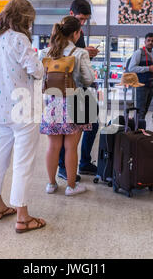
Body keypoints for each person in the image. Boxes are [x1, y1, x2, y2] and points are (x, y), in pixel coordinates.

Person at [0, 0, 45, 233]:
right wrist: (42, 64)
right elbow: (36, 70)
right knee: (23, 162)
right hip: (23, 109)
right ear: (24, 18)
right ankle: (23, 217)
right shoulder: (19, 39)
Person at [40, 16, 96, 196]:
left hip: (52, 102)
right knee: (71, 147)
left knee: (53, 146)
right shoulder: (80, 53)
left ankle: (51, 184)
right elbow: (88, 79)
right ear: (76, 33)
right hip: (75, 101)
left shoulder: (46, 53)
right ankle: (71, 187)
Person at [57, 0, 100, 180]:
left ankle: (82, 163)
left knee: (92, 124)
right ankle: (64, 167)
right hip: (68, 90)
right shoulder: (62, 32)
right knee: (64, 132)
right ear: (71, 13)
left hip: (79, 88)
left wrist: (86, 54)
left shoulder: (79, 33)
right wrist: (84, 54)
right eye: (81, 19)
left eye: (85, 20)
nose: (82, 24)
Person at [128, 33, 153, 119]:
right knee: (140, 110)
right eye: (148, 40)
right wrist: (148, 68)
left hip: (151, 85)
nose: (150, 42)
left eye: (152, 41)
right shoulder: (138, 53)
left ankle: (138, 127)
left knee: (145, 110)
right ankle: (137, 130)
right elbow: (131, 68)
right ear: (145, 41)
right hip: (141, 85)